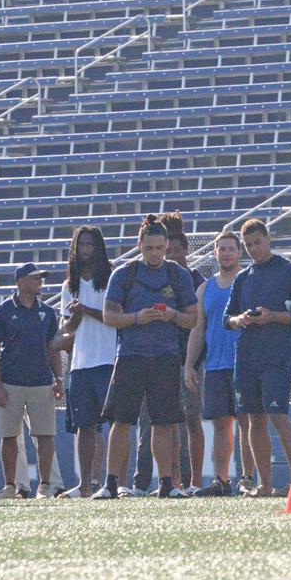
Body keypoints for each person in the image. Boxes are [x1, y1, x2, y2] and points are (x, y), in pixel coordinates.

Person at [93, 214, 199, 499]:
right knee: (121, 420)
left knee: (163, 422)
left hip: (165, 356)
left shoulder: (178, 275)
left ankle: (166, 482)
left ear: (166, 246)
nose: (154, 253)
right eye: (149, 248)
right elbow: (109, 315)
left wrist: (173, 315)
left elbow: (192, 319)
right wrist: (137, 318)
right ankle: (112, 482)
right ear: (139, 245)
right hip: (130, 355)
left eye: (159, 248)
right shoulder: (124, 274)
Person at [224, 218, 291, 498]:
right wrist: (240, 320)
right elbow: (225, 319)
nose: (254, 249)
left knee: (278, 415)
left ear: (268, 239)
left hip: (277, 355)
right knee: (254, 419)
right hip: (247, 356)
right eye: (249, 245)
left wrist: (274, 316)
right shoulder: (243, 277)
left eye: (258, 242)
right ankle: (264, 484)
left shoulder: (290, 271)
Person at [134, 211, 204, 496]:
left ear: (185, 250)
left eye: (176, 250)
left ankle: (190, 481)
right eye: (167, 249)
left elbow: (198, 324)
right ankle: (154, 481)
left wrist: (192, 363)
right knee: (153, 421)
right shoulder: (151, 277)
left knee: (189, 419)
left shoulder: (196, 279)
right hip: (157, 357)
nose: (172, 255)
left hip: (189, 360)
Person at [0, 263, 64, 498]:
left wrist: (58, 378)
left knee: (45, 435)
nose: (40, 282)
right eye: (34, 278)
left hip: (41, 381)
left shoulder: (48, 313)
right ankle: (11, 485)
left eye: (40, 278)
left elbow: (52, 349)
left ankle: (45, 484)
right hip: (11, 382)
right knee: (8, 436)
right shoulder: (1, 312)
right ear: (20, 281)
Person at [58, 226, 115, 498]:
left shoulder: (111, 277)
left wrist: (87, 311)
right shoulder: (70, 284)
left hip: (108, 359)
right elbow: (68, 329)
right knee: (84, 426)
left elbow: (115, 317)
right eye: (82, 245)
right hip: (80, 363)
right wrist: (76, 317)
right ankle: (85, 484)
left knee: (114, 424)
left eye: (91, 245)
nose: (86, 250)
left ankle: (110, 481)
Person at [186, 231, 243, 497]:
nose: (227, 253)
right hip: (216, 365)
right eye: (222, 249)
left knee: (248, 423)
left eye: (231, 248)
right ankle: (222, 479)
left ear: (239, 252)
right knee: (221, 425)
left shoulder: (247, 282)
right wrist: (189, 365)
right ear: (215, 253)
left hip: (244, 363)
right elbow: (198, 330)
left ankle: (250, 478)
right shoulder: (205, 288)